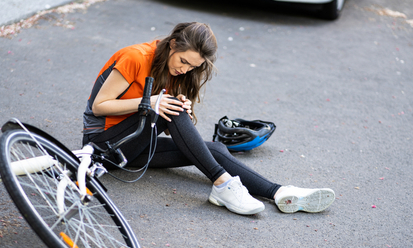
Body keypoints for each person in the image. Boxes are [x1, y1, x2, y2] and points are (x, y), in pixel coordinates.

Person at [82, 22, 335, 215]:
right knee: (167, 109)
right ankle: (223, 184)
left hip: (135, 147)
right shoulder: (135, 57)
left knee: (214, 148)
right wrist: (153, 103)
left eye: (192, 67)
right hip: (103, 146)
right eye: (183, 61)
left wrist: (181, 107)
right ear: (172, 44)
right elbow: (99, 106)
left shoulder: (174, 69)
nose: (185, 69)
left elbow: (168, 126)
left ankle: (279, 192)